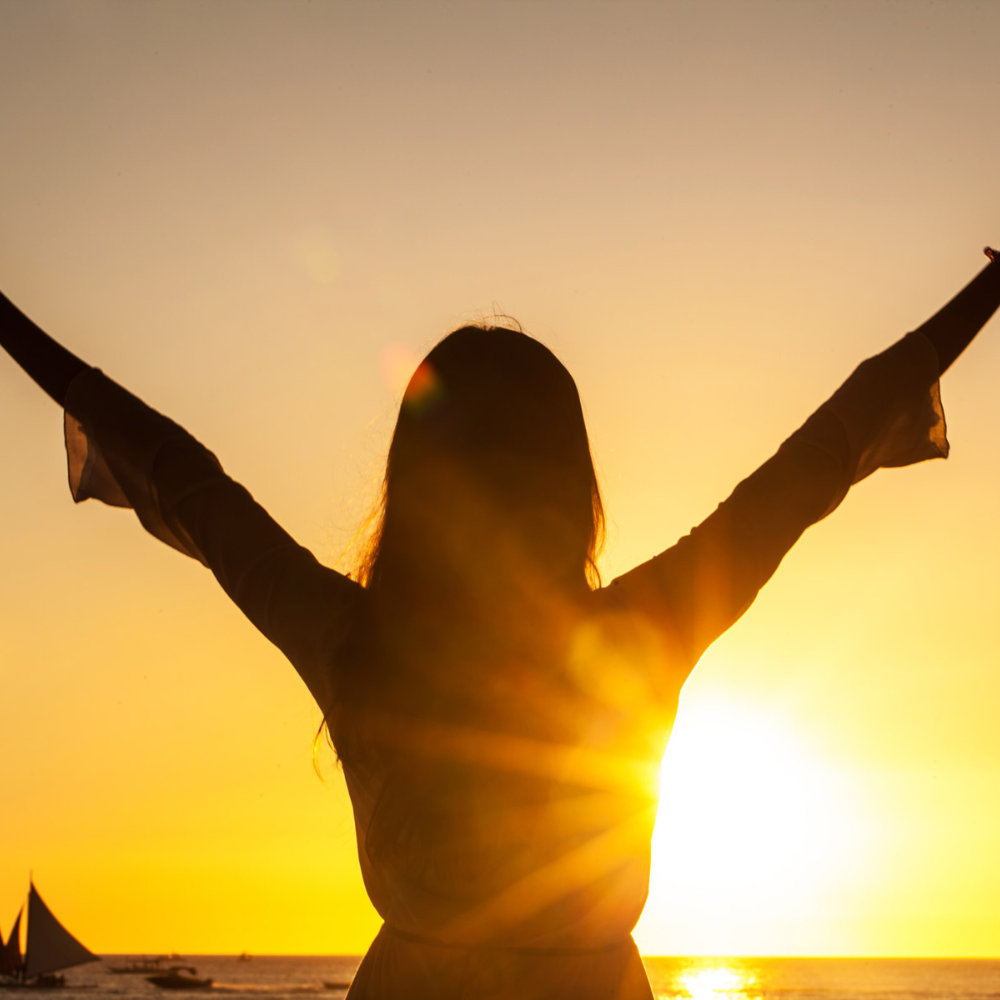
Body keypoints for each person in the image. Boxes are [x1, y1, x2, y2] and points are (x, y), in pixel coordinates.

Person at [2, 249, 998, 1000]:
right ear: (572, 486)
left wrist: (14, 328)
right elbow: (818, 454)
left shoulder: (354, 643)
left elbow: (185, 480)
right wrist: (981, 298)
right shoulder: (639, 627)